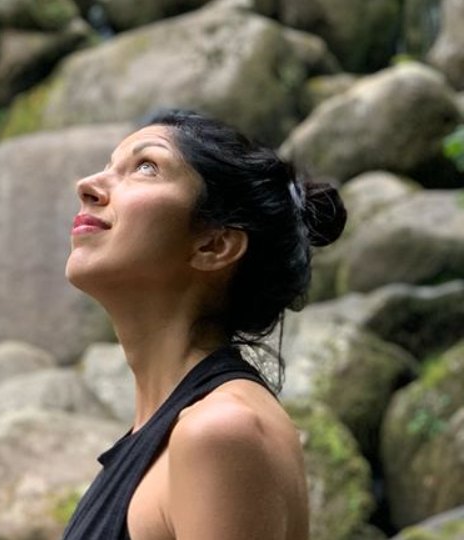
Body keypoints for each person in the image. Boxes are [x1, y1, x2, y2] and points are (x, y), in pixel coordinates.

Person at [62, 109, 347, 540]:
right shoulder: (172, 433)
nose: (88, 186)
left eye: (145, 167)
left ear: (214, 245)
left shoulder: (218, 431)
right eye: (106, 167)